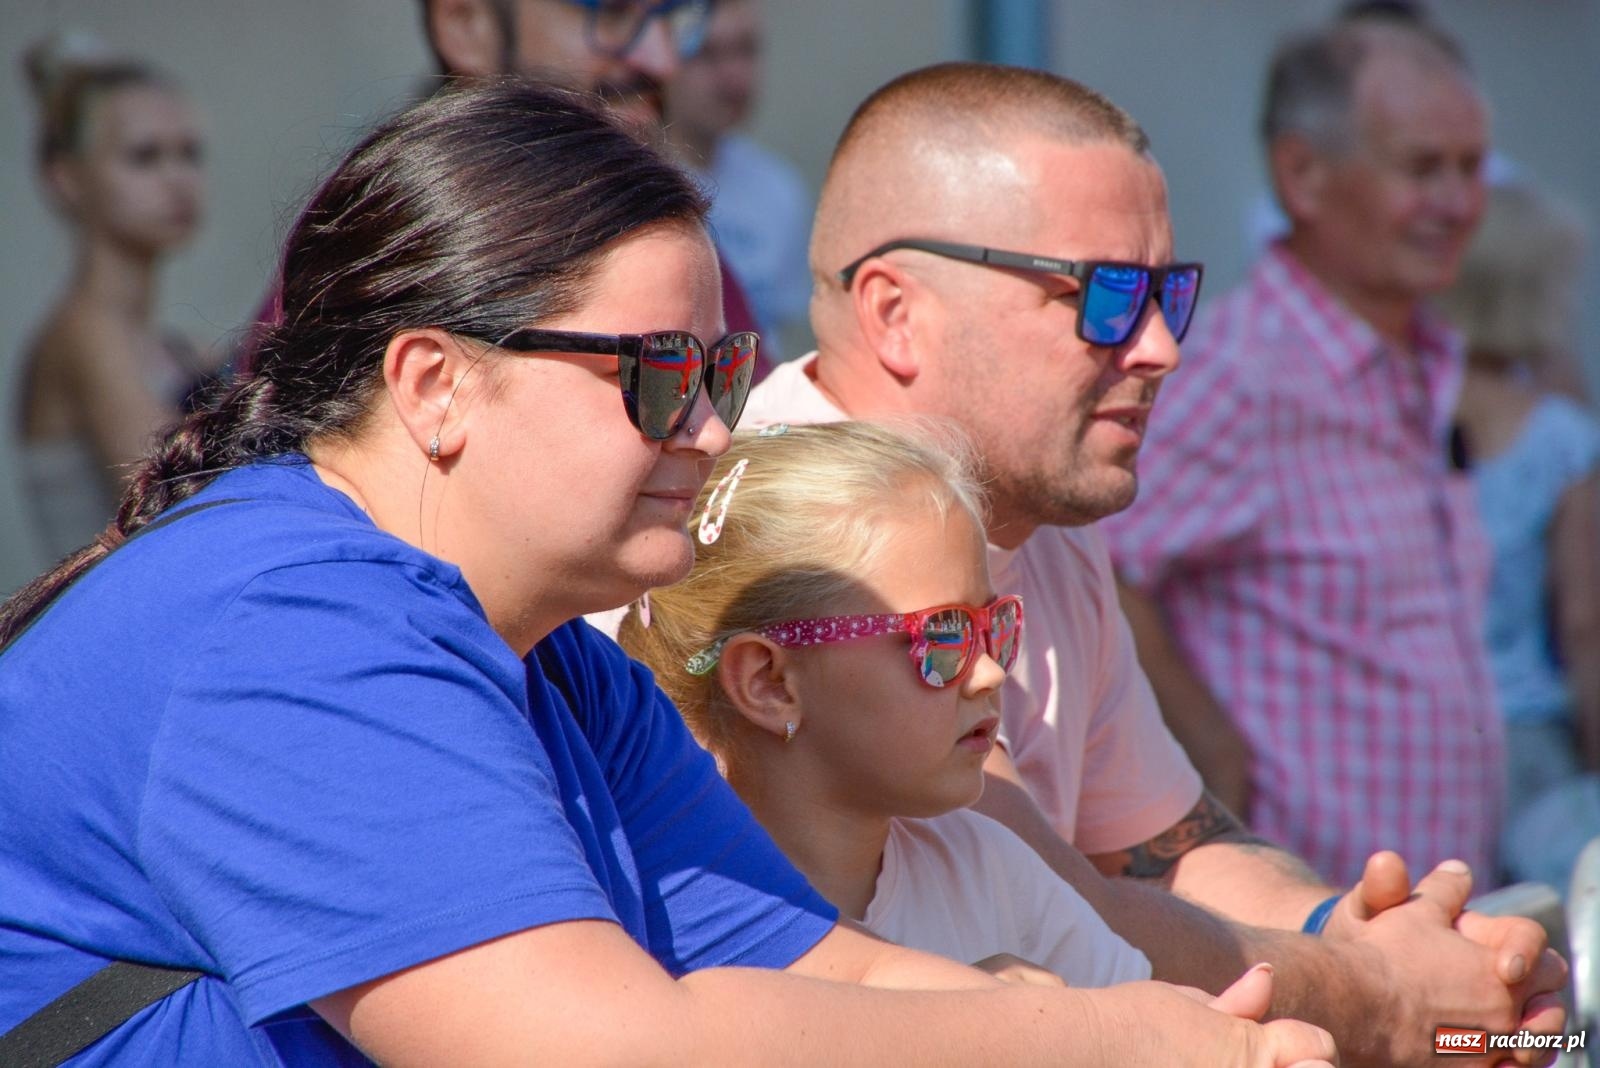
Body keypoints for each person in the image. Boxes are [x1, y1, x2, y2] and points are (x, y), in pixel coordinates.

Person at [0, 81, 1337, 1068]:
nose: (707, 428)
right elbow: (610, 1049)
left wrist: (1143, 1026)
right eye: (655, 375)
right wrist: (1096, 1042)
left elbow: (822, 971)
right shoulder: (295, 622)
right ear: (434, 384)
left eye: (720, 373)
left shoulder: (561, 668)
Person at [742, 59, 1566, 1065]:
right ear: (894, 313)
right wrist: (1380, 993)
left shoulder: (1043, 519)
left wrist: (1366, 936)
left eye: (1169, 292)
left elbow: (1171, 847)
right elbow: (1062, 914)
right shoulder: (796, 548)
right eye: (1108, 296)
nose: (1160, 348)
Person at [1103, 9, 1501, 888]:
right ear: (1302, 175)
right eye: (1422, 168)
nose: (1457, 203)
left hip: (1427, 915)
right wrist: (1206, 756)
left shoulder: (1421, 360)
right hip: (1307, 927)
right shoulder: (1241, 374)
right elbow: (1095, 564)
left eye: (1471, 167)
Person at [619, 420, 1150, 986]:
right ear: (769, 683)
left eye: (995, 625)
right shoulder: (644, 913)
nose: (991, 672)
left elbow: (1152, 1018)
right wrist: (980, 1024)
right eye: (943, 635)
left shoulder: (985, 867)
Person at [418, 0, 773, 378]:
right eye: (612, 12)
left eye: (672, 15)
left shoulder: (676, 243)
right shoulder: (409, 264)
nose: (663, 61)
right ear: (465, 26)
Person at [1435, 181, 1600, 893]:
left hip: (1424, 726)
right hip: (1528, 739)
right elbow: (1584, 622)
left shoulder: (1402, 413)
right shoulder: (1560, 438)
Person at [18, 34, 209, 560]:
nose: (178, 180)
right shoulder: (85, 334)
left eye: (190, 153)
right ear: (66, 177)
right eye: (144, 157)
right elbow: (180, 502)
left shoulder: (174, 347)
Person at [665, 0, 812, 358]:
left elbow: (780, 330)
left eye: (745, 50)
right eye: (707, 53)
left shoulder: (779, 189)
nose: (733, 76)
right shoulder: (640, 183)